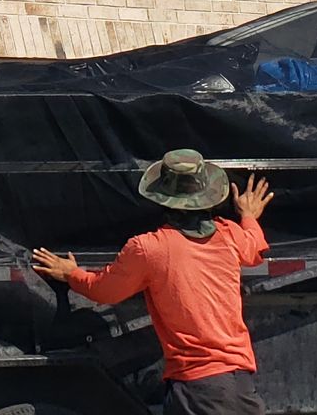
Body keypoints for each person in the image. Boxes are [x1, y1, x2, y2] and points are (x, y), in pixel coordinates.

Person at [32, 150, 273, 415]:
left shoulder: (149, 249)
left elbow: (106, 291)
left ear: (163, 201)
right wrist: (248, 215)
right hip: (241, 384)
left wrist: (70, 274)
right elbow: (254, 247)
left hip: (199, 390)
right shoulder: (230, 235)